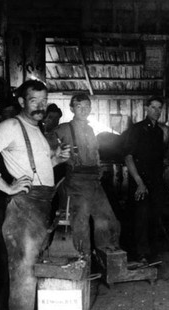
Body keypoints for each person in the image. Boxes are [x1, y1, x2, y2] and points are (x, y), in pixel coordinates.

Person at [0, 80, 70, 310]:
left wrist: (55, 160)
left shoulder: (36, 129)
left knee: (23, 267)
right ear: (22, 102)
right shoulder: (11, 126)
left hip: (41, 203)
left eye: (43, 100)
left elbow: (33, 164)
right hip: (24, 205)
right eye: (33, 100)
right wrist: (6, 186)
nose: (39, 105)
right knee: (24, 266)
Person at [55, 93, 120, 259]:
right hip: (75, 182)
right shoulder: (63, 129)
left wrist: (99, 170)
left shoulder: (91, 129)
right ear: (71, 108)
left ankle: (106, 259)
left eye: (86, 107)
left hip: (94, 182)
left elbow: (95, 154)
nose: (83, 110)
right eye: (79, 106)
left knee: (107, 220)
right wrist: (57, 156)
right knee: (80, 224)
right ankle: (82, 261)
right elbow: (45, 148)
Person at [123, 95, 166, 264]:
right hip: (140, 181)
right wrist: (139, 183)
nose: (156, 111)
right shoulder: (137, 129)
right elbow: (128, 156)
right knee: (140, 217)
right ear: (146, 109)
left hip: (155, 182)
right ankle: (139, 254)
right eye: (153, 107)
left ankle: (150, 253)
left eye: (159, 108)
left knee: (154, 215)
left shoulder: (159, 131)